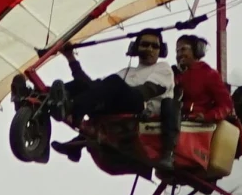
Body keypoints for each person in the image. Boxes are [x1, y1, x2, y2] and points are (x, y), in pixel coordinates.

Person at [61, 29, 180, 163]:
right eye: (145, 45)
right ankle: (47, 99)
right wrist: (70, 58)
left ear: (161, 50)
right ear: (136, 48)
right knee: (82, 85)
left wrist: (116, 91)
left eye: (155, 46)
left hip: (140, 106)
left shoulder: (163, 68)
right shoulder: (127, 72)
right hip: (117, 107)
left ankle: (74, 110)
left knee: (113, 83)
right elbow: (94, 88)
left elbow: (149, 90)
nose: (150, 49)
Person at [171, 33, 235, 121]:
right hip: (177, 123)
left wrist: (207, 116)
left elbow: (226, 105)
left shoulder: (209, 74)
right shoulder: (175, 74)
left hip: (201, 127)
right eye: (177, 51)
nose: (179, 54)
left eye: (183, 49)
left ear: (197, 51)